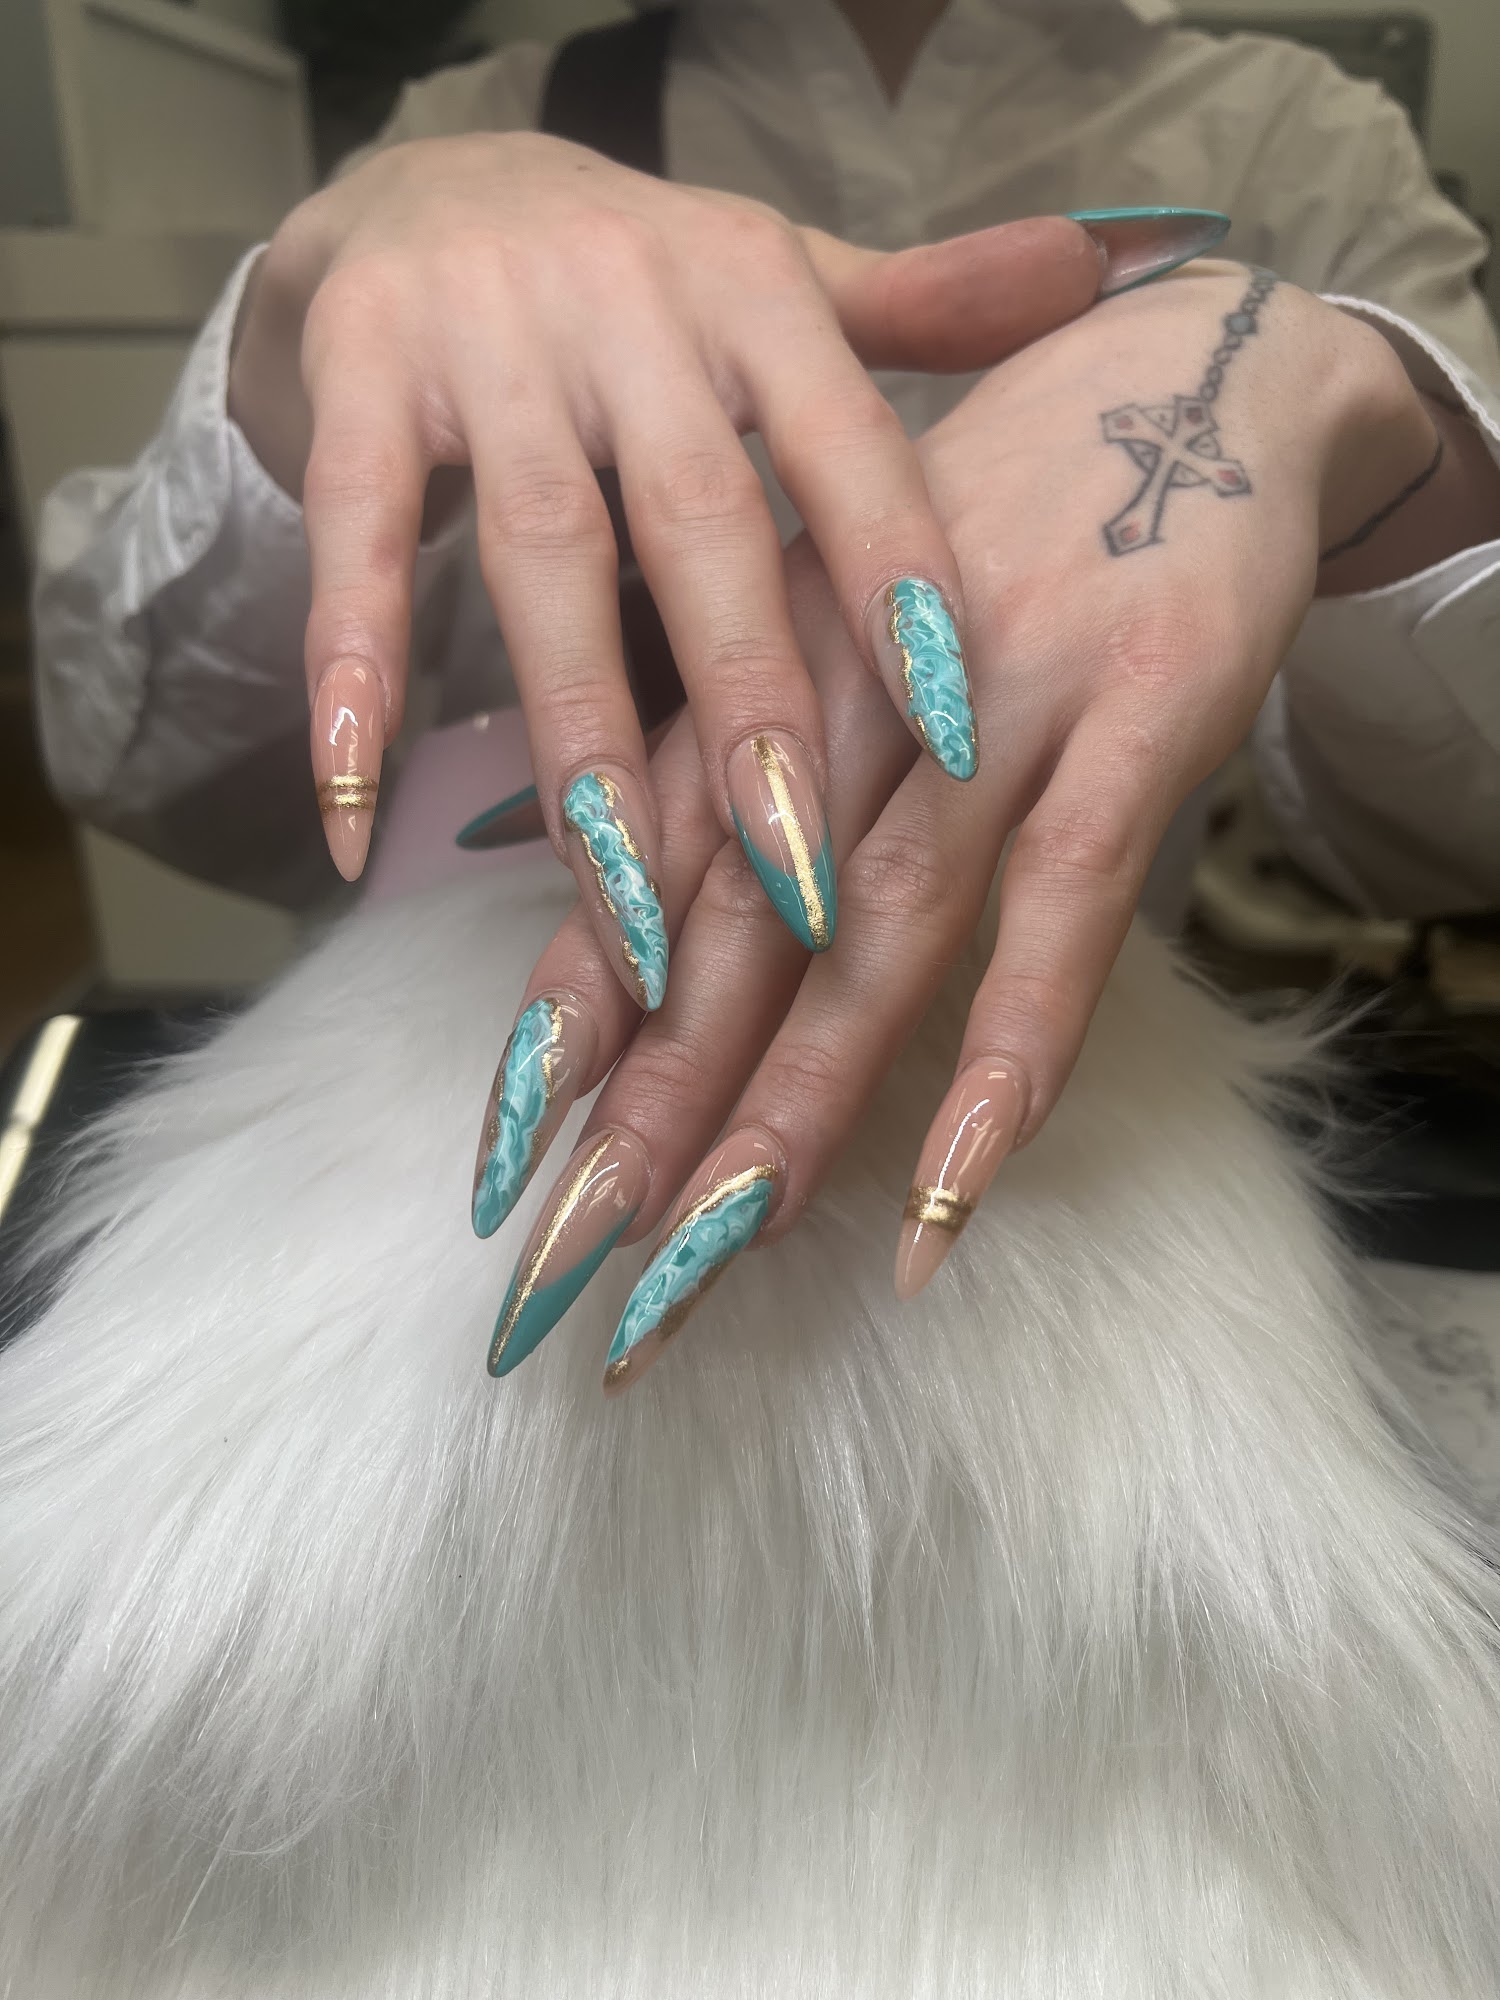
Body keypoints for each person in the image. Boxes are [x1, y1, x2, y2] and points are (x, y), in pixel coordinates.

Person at [31, 0, 1500, 1353]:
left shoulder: (1303, 139)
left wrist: (1351, 411)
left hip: (1063, 1210)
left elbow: (1437, 848)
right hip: (450, 1187)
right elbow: (167, 783)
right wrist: (293, 356)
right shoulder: (490, 114)